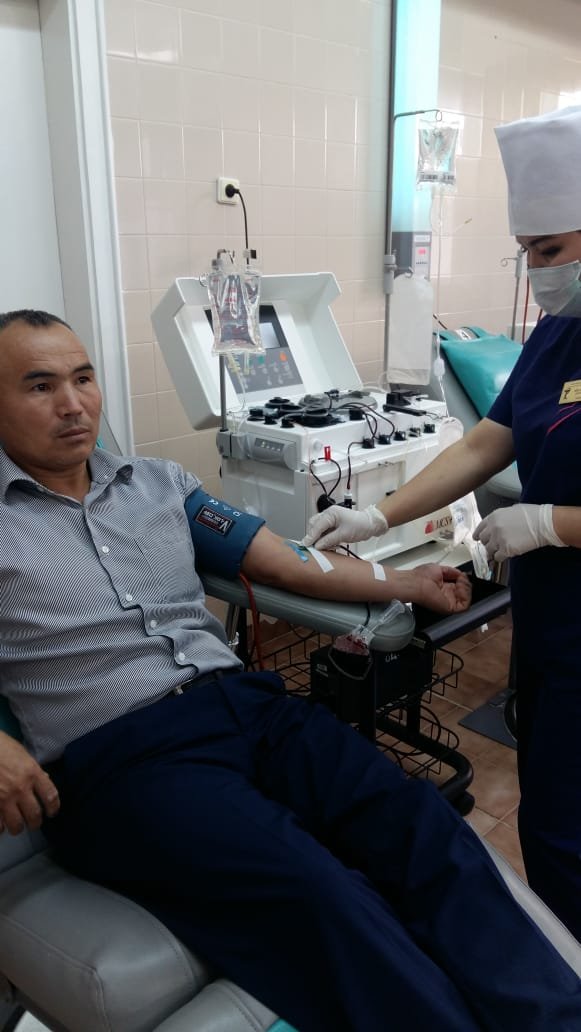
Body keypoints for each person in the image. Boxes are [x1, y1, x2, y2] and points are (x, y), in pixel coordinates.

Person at [0, 310, 579, 1032]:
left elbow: (282, 561)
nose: (73, 404)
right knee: (319, 889)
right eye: (40, 386)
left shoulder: (158, 483)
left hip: (249, 710)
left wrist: (403, 579)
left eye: (83, 379)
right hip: (124, 760)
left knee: (416, 821)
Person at [304, 105, 581, 945]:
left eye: (549, 251)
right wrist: (376, 513)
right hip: (553, 621)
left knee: (569, 828)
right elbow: (486, 441)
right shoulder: (558, 335)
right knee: (551, 808)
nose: (538, 273)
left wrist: (553, 524)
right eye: (528, 252)